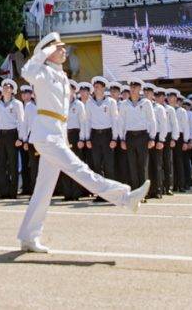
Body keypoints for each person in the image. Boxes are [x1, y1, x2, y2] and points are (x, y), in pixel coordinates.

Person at [16, 32, 148, 253]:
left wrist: (64, 138)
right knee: (79, 169)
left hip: (56, 134)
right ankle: (124, 197)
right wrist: (43, 52)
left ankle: (29, 236)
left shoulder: (61, 76)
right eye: (58, 48)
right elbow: (26, 71)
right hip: (46, 135)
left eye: (63, 47)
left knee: (43, 190)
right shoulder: (42, 71)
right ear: (48, 52)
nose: (63, 51)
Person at [117, 79, 156, 191]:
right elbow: (121, 122)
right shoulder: (124, 104)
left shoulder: (146, 102)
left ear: (140, 89)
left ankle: (143, 192)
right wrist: (122, 139)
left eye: (136, 87)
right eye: (132, 87)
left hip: (143, 136)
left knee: (143, 166)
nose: (133, 89)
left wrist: (152, 138)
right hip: (129, 136)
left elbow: (151, 120)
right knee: (132, 165)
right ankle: (135, 190)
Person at [83, 76, 118, 193]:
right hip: (95, 135)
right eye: (95, 87)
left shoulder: (111, 102)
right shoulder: (89, 102)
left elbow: (115, 120)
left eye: (98, 87)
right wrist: (87, 138)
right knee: (97, 165)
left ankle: (111, 192)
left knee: (109, 165)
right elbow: (87, 121)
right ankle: (100, 193)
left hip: (107, 134)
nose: (96, 89)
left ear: (103, 88)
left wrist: (114, 138)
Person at [0, 79, 24, 199]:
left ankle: (13, 192)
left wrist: (20, 138)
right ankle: (3, 191)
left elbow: (21, 121)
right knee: (1, 164)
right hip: (1, 134)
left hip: (12, 134)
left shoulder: (17, 104)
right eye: (4, 87)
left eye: (8, 88)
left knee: (13, 164)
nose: (6, 89)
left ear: (12, 90)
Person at [18, 84, 37, 195]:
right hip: (25, 138)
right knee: (26, 164)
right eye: (23, 93)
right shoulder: (25, 106)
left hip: (36, 137)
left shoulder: (36, 105)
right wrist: (23, 139)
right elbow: (22, 124)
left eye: (27, 93)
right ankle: (26, 187)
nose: (25, 95)